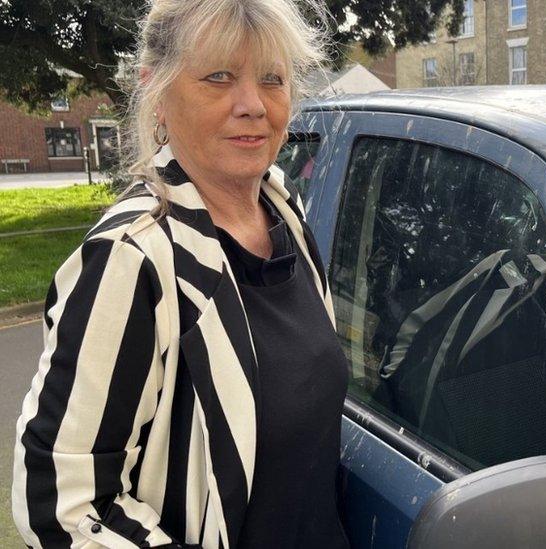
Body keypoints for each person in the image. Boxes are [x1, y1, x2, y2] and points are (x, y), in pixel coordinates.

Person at [11, 1, 349, 547]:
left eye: (272, 79)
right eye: (218, 76)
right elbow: (60, 504)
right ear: (157, 92)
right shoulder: (133, 257)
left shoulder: (286, 213)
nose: (253, 105)